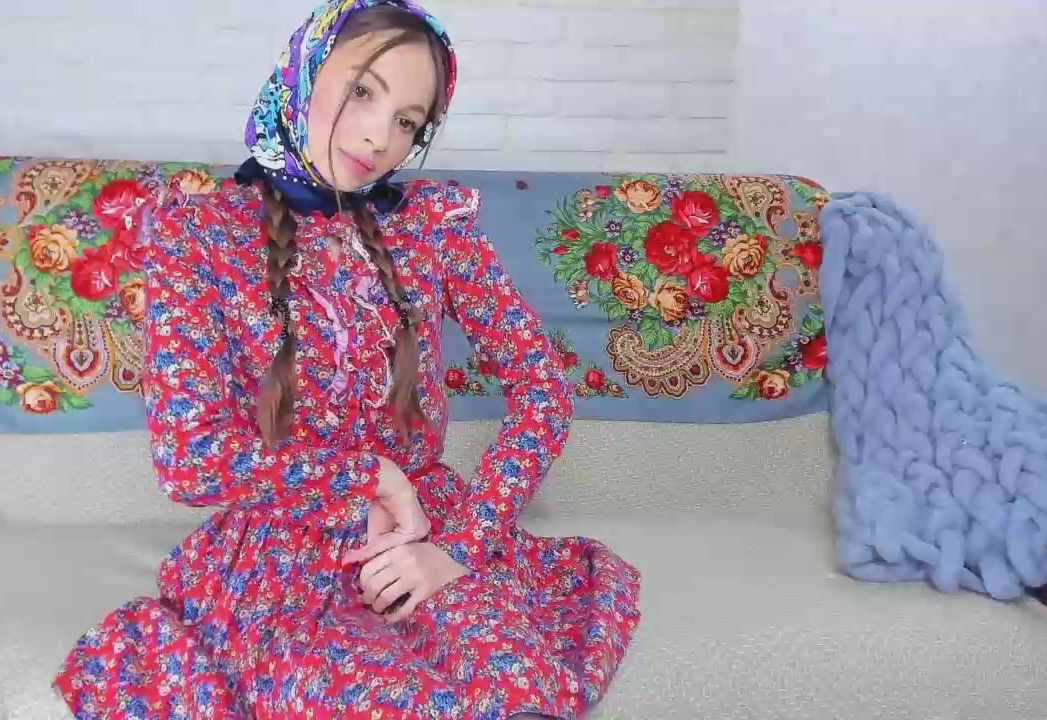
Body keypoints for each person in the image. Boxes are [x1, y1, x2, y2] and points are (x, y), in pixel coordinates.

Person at [54, 1, 641, 717]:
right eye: (364, 90)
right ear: (302, 72)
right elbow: (189, 457)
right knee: (364, 695)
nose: (380, 137)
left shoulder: (434, 227)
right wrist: (370, 476)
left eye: (409, 122)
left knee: (512, 685)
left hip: (424, 530)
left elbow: (543, 388)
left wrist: (460, 546)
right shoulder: (196, 233)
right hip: (281, 550)